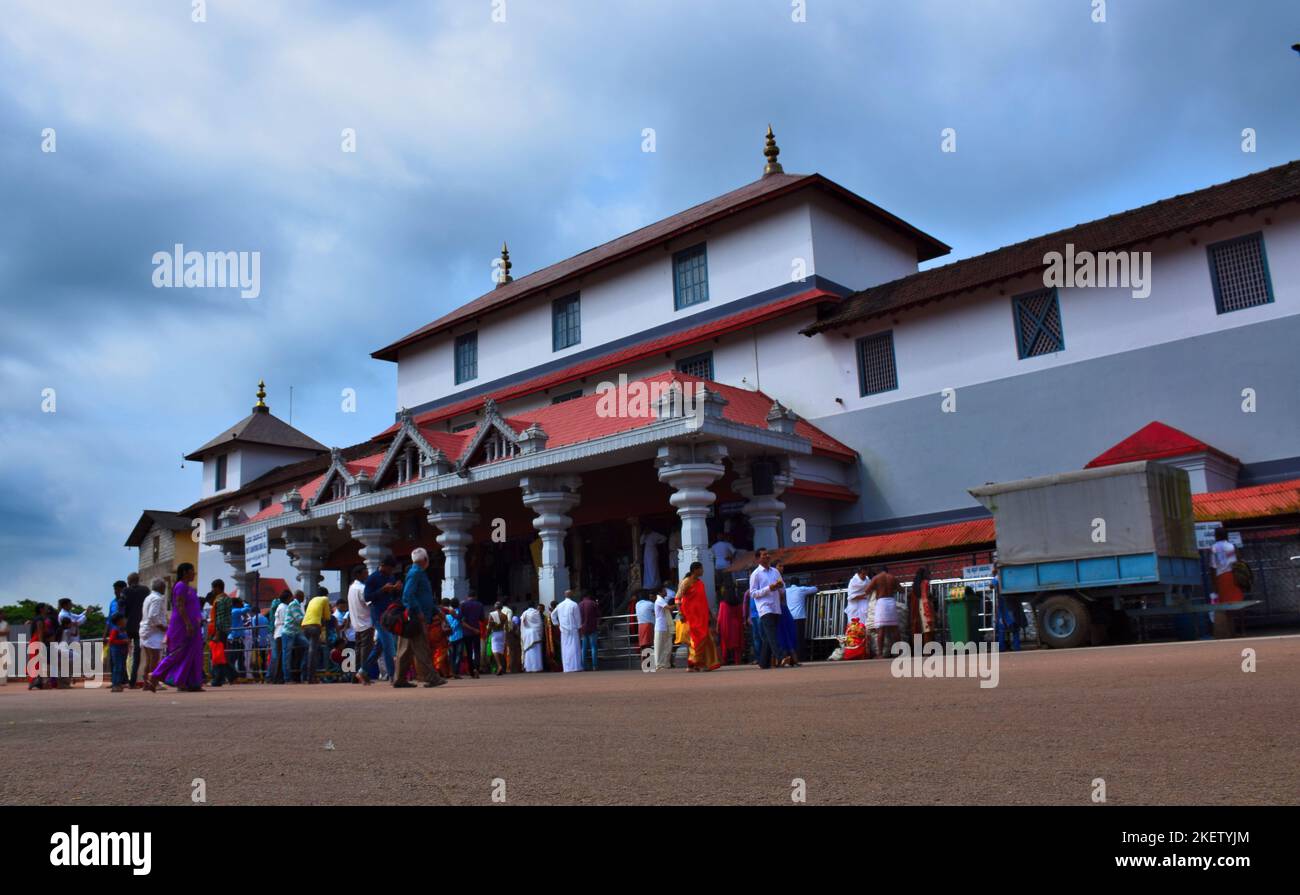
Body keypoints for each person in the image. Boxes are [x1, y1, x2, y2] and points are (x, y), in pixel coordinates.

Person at [147, 563, 205, 692]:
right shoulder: (180, 586)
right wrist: (188, 623)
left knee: (193, 653)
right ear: (184, 572)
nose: (194, 574)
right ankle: (155, 675)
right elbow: (180, 606)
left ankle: (188, 682)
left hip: (193, 626)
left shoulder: (189, 588)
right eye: (191, 571)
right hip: (182, 626)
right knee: (178, 652)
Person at [394, 548, 446, 689]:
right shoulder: (417, 573)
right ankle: (431, 678)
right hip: (416, 618)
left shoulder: (414, 572)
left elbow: (419, 596)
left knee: (405, 650)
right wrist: (418, 611)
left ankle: (399, 678)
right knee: (422, 648)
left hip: (411, 617)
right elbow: (407, 595)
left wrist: (435, 610)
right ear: (425, 560)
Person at [678, 561, 721, 672]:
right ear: (695, 570)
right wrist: (681, 613)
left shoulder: (700, 583)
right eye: (701, 569)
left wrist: (710, 614)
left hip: (702, 617)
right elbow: (678, 598)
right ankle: (692, 664)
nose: (702, 571)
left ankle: (699, 664)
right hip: (691, 617)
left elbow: (703, 600)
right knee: (696, 640)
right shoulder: (686, 582)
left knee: (707, 640)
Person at [364, 557, 402, 681]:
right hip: (378, 615)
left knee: (380, 646)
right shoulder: (372, 578)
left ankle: (362, 671)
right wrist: (382, 590)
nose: (391, 571)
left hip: (389, 614)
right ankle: (392, 675)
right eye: (390, 568)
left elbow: (393, 596)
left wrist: (396, 589)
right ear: (383, 565)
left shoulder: (391, 577)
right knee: (389, 644)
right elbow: (367, 597)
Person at [748, 548, 786, 669]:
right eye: (764, 555)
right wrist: (769, 588)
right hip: (764, 608)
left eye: (768, 554)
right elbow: (753, 593)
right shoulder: (756, 574)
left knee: (768, 636)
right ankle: (780, 657)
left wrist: (779, 587)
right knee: (772, 633)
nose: (767, 556)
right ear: (758, 558)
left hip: (775, 606)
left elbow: (782, 587)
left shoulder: (775, 571)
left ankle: (763, 662)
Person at [1210, 527, 1243, 639]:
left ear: (1216, 536)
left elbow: (1213, 567)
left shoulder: (1214, 548)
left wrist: (1214, 584)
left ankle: (1230, 631)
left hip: (1221, 577)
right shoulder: (1232, 546)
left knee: (1226, 606)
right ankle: (1241, 630)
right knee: (1238, 603)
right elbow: (1238, 560)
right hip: (1233, 576)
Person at [343, 566, 373, 684]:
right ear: (359, 574)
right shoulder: (362, 588)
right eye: (365, 573)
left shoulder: (351, 588)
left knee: (358, 651)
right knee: (365, 651)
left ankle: (354, 676)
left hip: (356, 624)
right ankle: (363, 675)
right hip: (366, 623)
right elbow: (370, 604)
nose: (367, 575)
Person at [120, 573, 150, 688]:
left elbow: (121, 605)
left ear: (129, 581)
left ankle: (122, 679)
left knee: (122, 653)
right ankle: (133, 681)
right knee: (137, 654)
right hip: (140, 626)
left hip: (127, 626)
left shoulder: (126, 591)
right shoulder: (145, 590)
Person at [300, 588, 332, 684]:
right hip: (315, 626)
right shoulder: (324, 599)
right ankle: (311, 677)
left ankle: (304, 676)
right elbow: (327, 616)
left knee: (308, 652)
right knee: (312, 652)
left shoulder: (312, 600)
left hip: (304, 626)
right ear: (325, 595)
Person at [208, 580, 236, 686]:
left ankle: (220, 678)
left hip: (218, 631)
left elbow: (219, 618)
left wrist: (217, 633)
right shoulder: (228, 599)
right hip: (224, 630)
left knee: (217, 656)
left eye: (213, 588)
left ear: (218, 588)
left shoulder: (219, 600)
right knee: (220, 655)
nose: (212, 590)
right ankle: (226, 676)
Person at [773, 560, 800, 667]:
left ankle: (792, 659)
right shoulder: (775, 579)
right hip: (778, 609)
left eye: (782, 566)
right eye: (779, 566)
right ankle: (783, 659)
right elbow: (779, 595)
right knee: (781, 634)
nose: (782, 568)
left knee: (789, 632)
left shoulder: (781, 581)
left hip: (784, 608)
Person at [868, 568, 900, 657]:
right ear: (887, 571)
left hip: (881, 603)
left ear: (879, 571)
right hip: (891, 602)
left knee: (880, 629)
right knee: (895, 629)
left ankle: (880, 654)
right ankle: (899, 652)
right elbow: (900, 590)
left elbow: (867, 590)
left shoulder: (876, 578)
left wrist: (877, 588)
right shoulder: (892, 577)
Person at [785, 575, 817, 663]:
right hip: (799, 617)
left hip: (789, 617)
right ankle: (800, 657)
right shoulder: (801, 589)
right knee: (799, 638)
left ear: (790, 583)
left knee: (790, 638)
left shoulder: (786, 591)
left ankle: (790, 657)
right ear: (798, 583)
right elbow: (815, 589)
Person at [552, 590, 583, 672]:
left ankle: (567, 667)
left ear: (564, 595)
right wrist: (579, 627)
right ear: (571, 595)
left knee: (565, 648)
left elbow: (552, 615)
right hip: (573, 629)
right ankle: (575, 667)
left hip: (563, 630)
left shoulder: (560, 605)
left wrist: (557, 624)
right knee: (574, 648)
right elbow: (577, 618)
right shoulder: (574, 604)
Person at [280, 592, 307, 683]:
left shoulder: (296, 605)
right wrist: (309, 618)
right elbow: (299, 618)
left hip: (295, 632)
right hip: (289, 632)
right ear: (299, 596)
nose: (304, 598)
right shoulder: (294, 604)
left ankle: (301, 671)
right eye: (303, 596)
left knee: (308, 646)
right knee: (287, 656)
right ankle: (287, 678)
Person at [458, 592, 484, 679]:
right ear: (475, 596)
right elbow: (482, 618)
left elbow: (460, 618)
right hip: (476, 630)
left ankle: (472, 671)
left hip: (466, 632)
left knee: (469, 652)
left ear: (467, 596)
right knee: (477, 651)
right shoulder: (479, 605)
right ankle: (477, 667)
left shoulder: (463, 605)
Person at [908, 568, 936, 647]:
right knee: (928, 630)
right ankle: (927, 651)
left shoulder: (915, 586)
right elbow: (925, 598)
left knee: (922, 629)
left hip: (919, 608)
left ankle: (921, 650)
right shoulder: (925, 583)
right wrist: (929, 612)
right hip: (925, 607)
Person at [844, 566, 872, 647]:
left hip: (864, 605)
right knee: (853, 626)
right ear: (858, 573)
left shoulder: (867, 580)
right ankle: (852, 645)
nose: (864, 575)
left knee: (865, 625)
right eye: (863, 574)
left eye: (866, 574)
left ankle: (865, 646)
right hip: (854, 606)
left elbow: (869, 590)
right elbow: (851, 596)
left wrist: (865, 596)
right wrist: (863, 596)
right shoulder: (853, 581)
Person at [652, 588, 676, 671]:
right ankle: (659, 664)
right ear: (660, 592)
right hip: (661, 626)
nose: (666, 592)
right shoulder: (659, 600)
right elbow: (669, 608)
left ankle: (665, 664)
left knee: (667, 645)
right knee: (660, 646)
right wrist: (678, 603)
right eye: (664, 591)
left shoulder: (661, 600)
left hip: (664, 626)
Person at [107, 612, 130, 692]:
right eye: (123, 619)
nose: (125, 620)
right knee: (117, 668)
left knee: (121, 668)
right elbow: (112, 641)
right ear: (119, 621)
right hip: (117, 651)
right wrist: (124, 641)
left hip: (122, 652)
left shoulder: (122, 630)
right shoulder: (115, 630)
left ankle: (119, 683)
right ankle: (115, 684)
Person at [578, 591, 601, 671]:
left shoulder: (579, 605)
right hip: (592, 627)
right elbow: (598, 614)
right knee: (593, 647)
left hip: (583, 628)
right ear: (588, 596)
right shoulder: (593, 603)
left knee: (584, 648)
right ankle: (594, 666)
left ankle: (584, 666)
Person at [520, 602, 545, 672]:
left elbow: (523, 624)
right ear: (534, 606)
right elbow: (540, 625)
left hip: (527, 635)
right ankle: (537, 667)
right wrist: (540, 634)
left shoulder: (524, 613)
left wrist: (523, 634)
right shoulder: (536, 613)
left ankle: (529, 668)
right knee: (536, 652)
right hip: (536, 635)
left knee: (529, 652)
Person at [633, 590, 655, 658]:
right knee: (648, 644)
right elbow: (657, 611)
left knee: (643, 644)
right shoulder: (650, 604)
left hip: (640, 625)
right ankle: (648, 664)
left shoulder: (637, 604)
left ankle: (645, 662)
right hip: (648, 625)